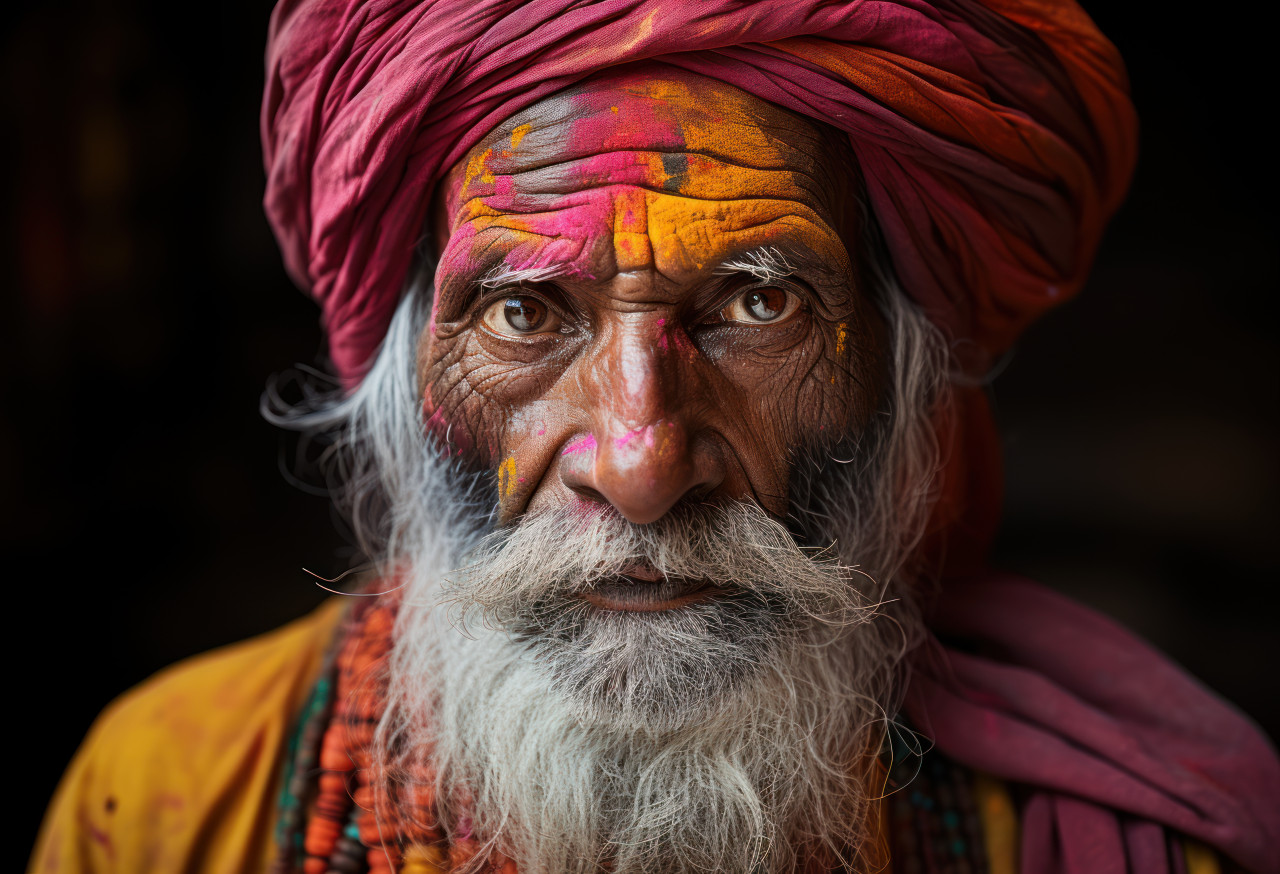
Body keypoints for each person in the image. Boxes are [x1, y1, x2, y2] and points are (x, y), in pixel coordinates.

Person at [29, 1, 1279, 872]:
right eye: (524, 312)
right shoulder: (165, 804)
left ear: (901, 376)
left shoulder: (1115, 841)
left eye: (758, 303)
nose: (639, 464)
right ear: (404, 380)